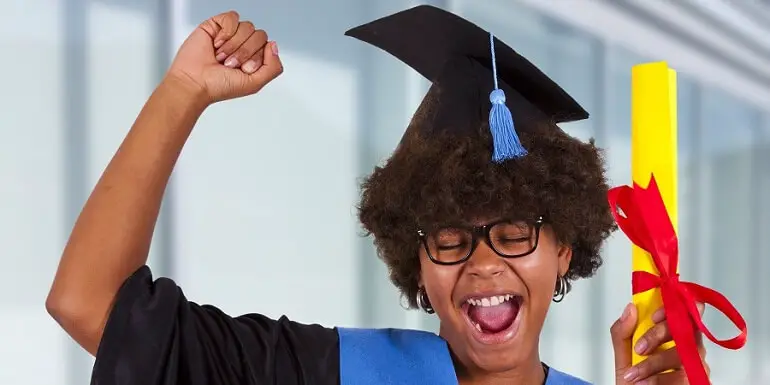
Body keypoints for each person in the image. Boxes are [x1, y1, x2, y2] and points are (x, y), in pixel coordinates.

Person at [46, 5, 709, 385]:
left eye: (513, 231)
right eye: (450, 237)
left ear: (563, 247)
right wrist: (182, 94)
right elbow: (89, 303)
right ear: (414, 258)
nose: (483, 263)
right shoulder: (329, 372)